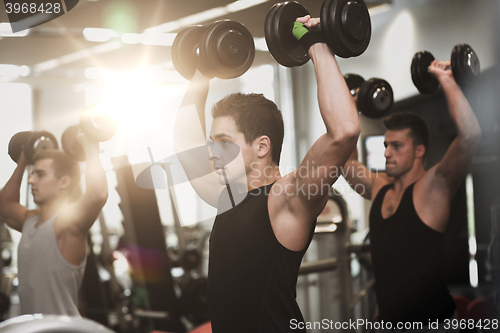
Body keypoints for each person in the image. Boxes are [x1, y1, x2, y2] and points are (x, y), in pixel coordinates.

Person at [171, 16, 360, 332]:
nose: (211, 153)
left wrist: (314, 43)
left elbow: (344, 132)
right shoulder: (228, 195)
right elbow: (184, 144)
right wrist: (202, 69)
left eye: (224, 143)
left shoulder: (285, 199)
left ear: (261, 147)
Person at [343, 59, 482, 329]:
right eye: (385, 145)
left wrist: (446, 79)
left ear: (419, 150)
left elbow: (469, 136)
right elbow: (347, 162)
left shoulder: (433, 188)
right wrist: (353, 104)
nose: (386, 153)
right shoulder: (379, 188)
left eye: (396, 146)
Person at [0, 132, 108, 316]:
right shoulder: (29, 220)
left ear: (64, 182)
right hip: (36, 329)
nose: (30, 180)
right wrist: (23, 161)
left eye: (39, 175)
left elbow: (97, 194)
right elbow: (4, 205)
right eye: (32, 173)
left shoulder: (66, 224)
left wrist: (89, 144)